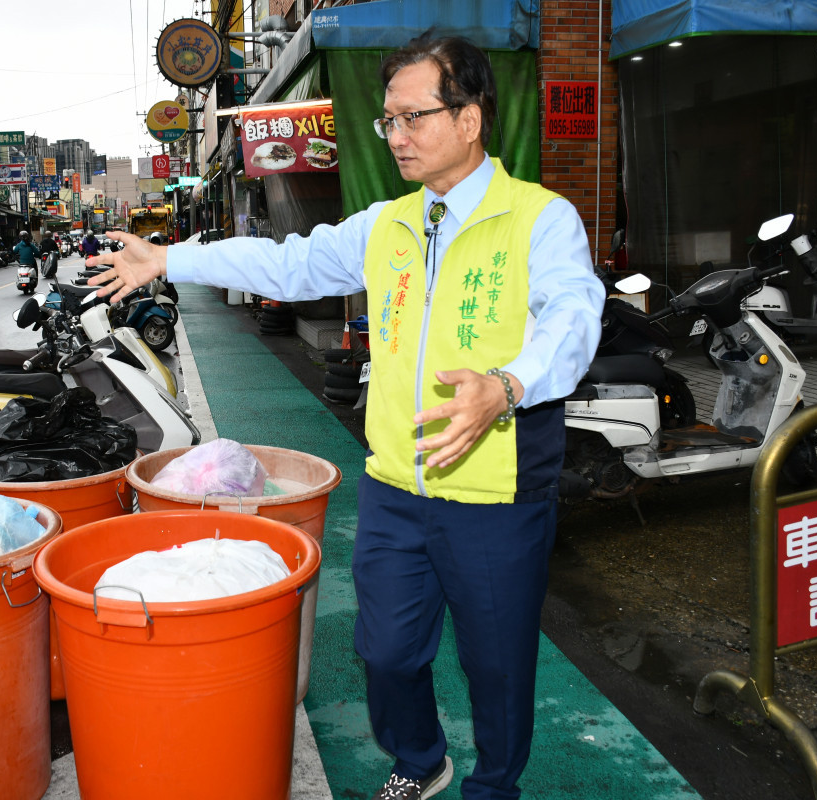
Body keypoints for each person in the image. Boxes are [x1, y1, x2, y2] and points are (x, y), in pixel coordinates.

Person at [86, 32, 603, 800]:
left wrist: (510, 383)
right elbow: (287, 263)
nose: (397, 136)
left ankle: (495, 787)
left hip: (496, 490)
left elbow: (575, 314)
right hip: (397, 484)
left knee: (497, 664)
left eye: (414, 117)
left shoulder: (539, 219)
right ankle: (421, 758)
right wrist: (171, 260)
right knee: (387, 650)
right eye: (388, 121)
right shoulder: (387, 223)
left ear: (470, 119)